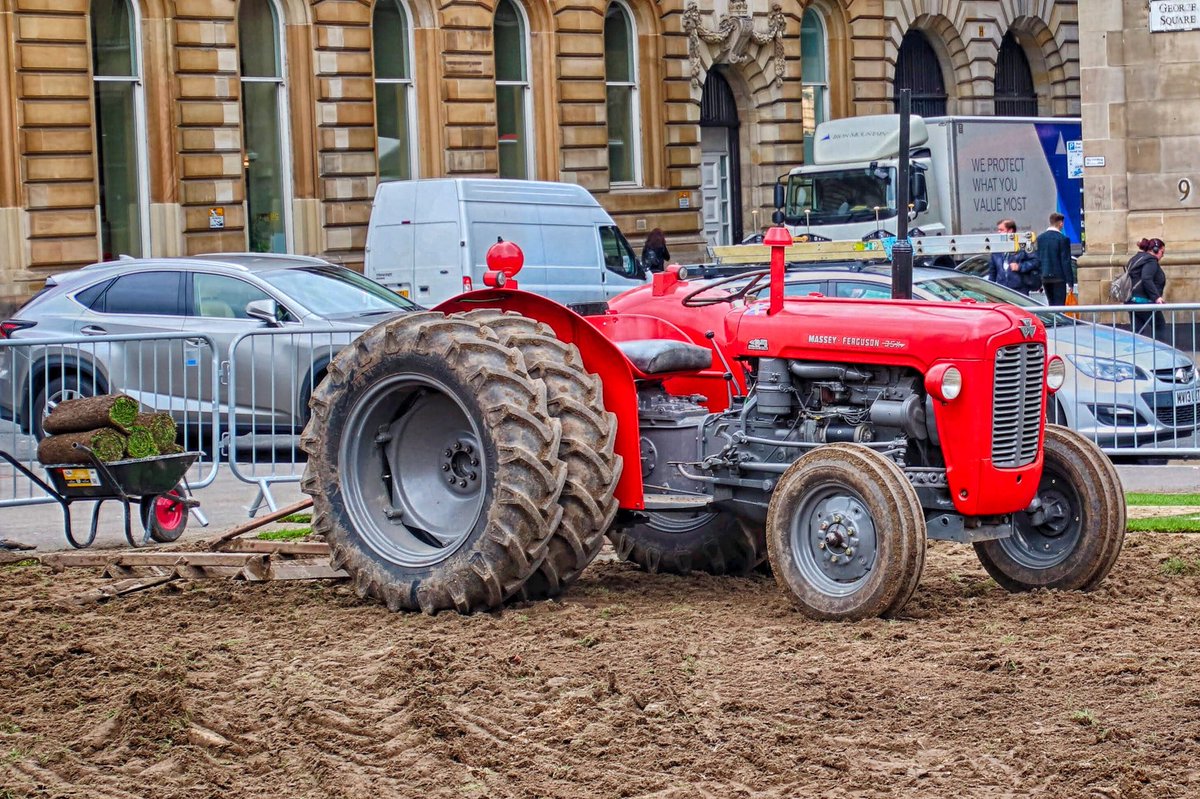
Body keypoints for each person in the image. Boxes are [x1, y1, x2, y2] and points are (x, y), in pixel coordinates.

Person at [1127, 237, 1168, 340]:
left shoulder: (1136, 259)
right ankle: (1161, 353)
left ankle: (1135, 353)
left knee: (1137, 332)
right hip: (1145, 302)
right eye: (1162, 252)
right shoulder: (1151, 261)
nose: (1162, 256)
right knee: (1160, 327)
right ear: (1155, 250)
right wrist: (1157, 297)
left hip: (1132, 301)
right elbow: (1146, 278)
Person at [987, 219, 1040, 294]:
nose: (999, 232)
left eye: (1001, 230)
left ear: (1010, 231)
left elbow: (1035, 262)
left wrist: (1019, 267)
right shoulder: (996, 248)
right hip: (1002, 289)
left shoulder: (1023, 245)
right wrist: (989, 289)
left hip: (1019, 289)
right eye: (998, 230)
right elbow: (993, 271)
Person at [1037, 212, 1073, 305]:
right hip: (1059, 278)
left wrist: (1038, 280)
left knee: (1051, 303)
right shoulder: (1063, 239)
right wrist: (1070, 282)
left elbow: (1038, 259)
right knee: (1059, 306)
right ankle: (1058, 320)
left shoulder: (1040, 238)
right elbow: (1066, 261)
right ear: (1061, 223)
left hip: (1044, 278)